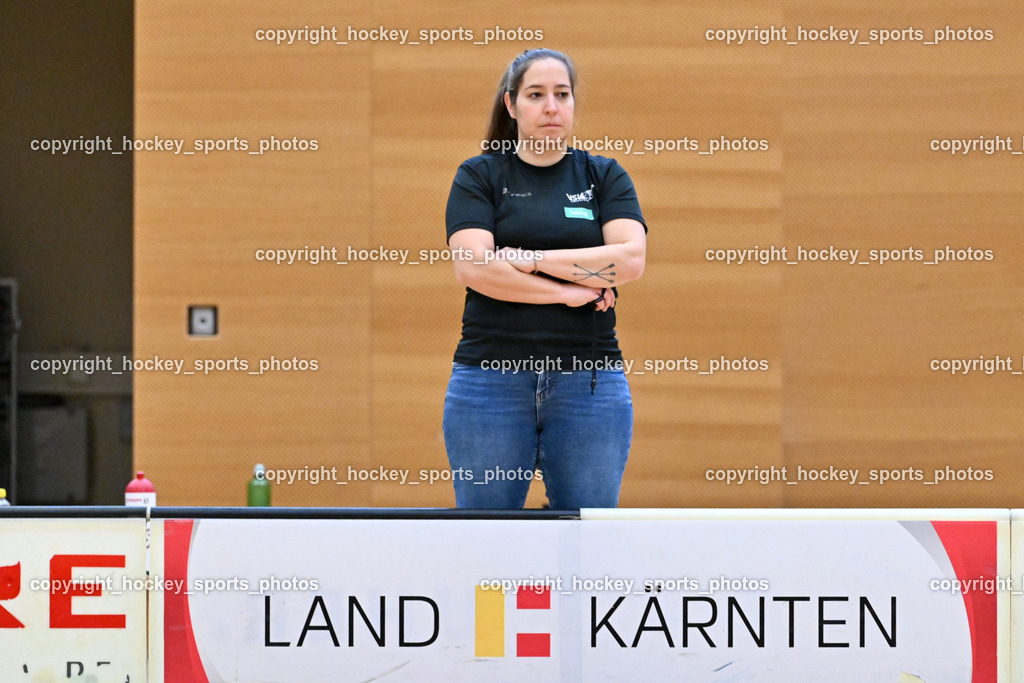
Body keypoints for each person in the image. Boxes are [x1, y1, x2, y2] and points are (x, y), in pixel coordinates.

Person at [442, 48, 647, 509]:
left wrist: (530, 259)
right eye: (536, 95)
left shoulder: (603, 176)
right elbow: (474, 267)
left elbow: (629, 261)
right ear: (511, 105)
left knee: (586, 540)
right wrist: (569, 293)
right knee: (487, 542)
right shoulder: (479, 176)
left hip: (587, 383)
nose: (552, 106)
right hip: (489, 379)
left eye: (562, 94)